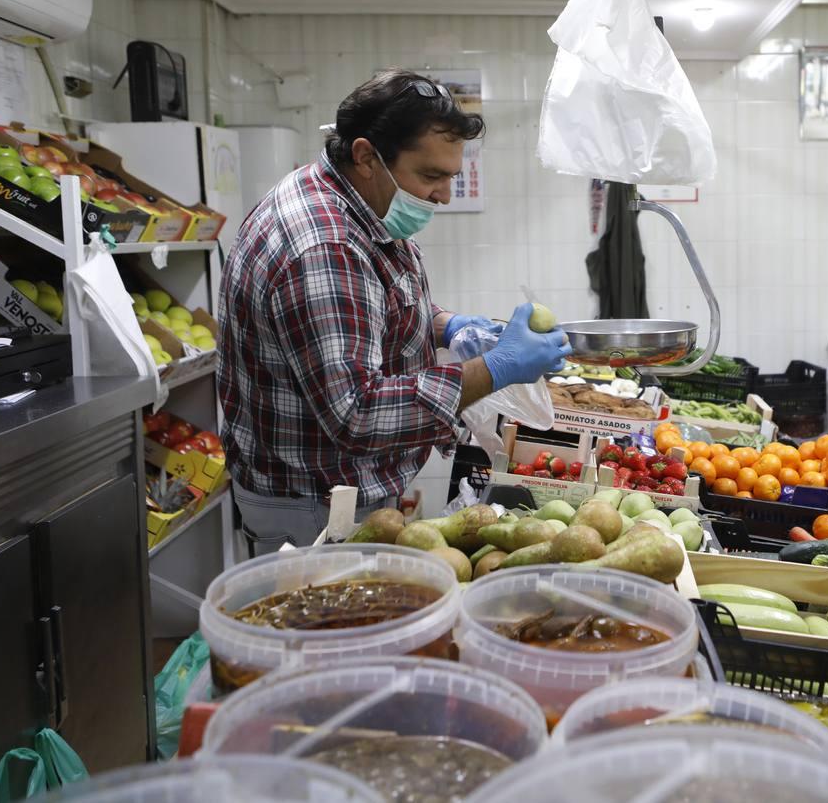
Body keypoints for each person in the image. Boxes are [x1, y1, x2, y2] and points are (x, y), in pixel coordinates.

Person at [217, 69, 571, 550]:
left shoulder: (353, 202)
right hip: (314, 509)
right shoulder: (325, 245)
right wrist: (496, 368)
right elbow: (356, 413)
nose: (444, 195)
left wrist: (448, 327)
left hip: (335, 490)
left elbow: (372, 306)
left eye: (451, 176)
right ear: (366, 156)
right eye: (431, 176)